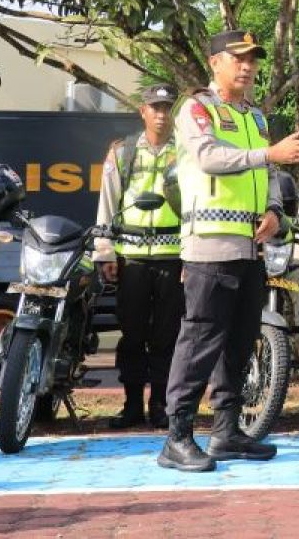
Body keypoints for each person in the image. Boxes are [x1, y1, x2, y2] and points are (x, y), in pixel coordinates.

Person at [158, 30, 299, 472]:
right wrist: (269, 153)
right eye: (238, 58)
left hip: (252, 246)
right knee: (200, 338)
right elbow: (209, 157)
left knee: (240, 340)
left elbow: (266, 175)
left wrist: (272, 209)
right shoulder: (196, 108)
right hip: (210, 244)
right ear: (215, 63)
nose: (247, 66)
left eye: (253, 59)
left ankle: (226, 431)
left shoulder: (255, 117)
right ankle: (177, 437)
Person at [94, 83, 183, 430]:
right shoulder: (123, 152)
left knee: (167, 335)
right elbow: (107, 203)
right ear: (142, 111)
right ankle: (131, 404)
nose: (161, 114)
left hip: (173, 255)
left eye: (166, 108)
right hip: (130, 256)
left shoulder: (187, 153)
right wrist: (105, 253)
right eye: (155, 108)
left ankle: (160, 405)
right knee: (131, 335)